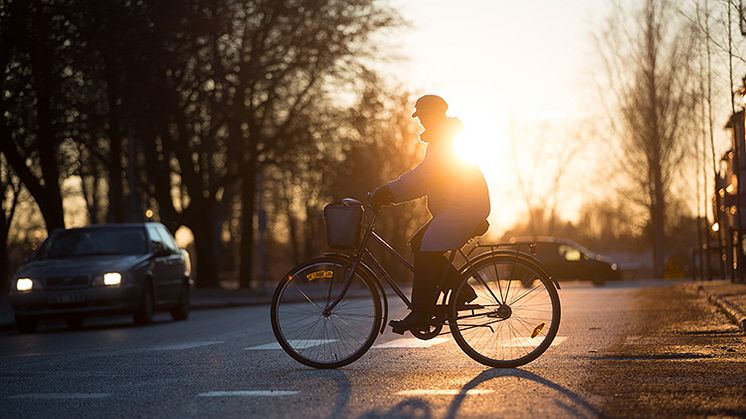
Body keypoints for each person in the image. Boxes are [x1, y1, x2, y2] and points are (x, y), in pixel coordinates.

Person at [368, 94, 491, 334]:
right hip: (457, 207)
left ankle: (422, 312)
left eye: (423, 116)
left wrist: (387, 190)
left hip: (464, 207)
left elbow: (425, 175)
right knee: (418, 244)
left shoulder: (446, 139)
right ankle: (460, 291)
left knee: (426, 251)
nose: (421, 121)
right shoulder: (443, 137)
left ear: (434, 114)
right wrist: (392, 196)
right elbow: (426, 182)